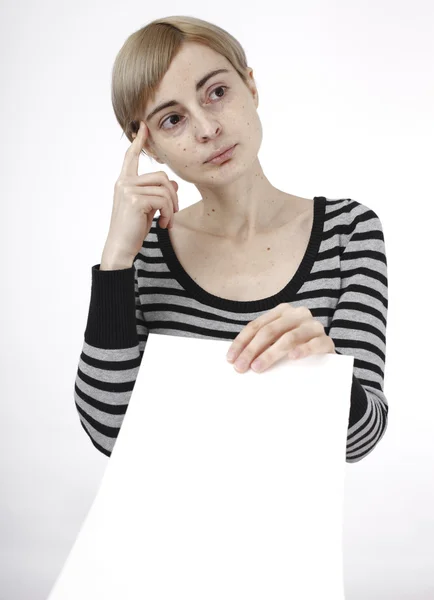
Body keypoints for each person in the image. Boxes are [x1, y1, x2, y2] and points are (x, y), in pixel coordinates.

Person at [74, 15, 388, 463]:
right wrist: (115, 261)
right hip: (160, 527)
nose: (206, 129)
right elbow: (109, 431)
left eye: (217, 92)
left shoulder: (349, 231)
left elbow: (359, 444)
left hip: (295, 528)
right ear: (147, 146)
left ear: (251, 87)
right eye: (172, 119)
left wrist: (328, 367)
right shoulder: (143, 251)